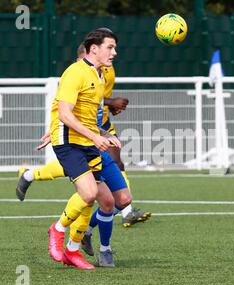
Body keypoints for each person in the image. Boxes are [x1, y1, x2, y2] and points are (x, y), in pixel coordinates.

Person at [16, 43, 151, 228]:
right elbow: (64, 107)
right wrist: (56, 128)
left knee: (113, 163)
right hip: (78, 130)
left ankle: (121, 212)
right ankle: (65, 226)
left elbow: (95, 97)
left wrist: (109, 107)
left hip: (99, 126)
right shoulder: (74, 74)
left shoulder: (107, 70)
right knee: (86, 183)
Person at [47, 28, 122, 270]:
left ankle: (72, 251)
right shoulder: (75, 72)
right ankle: (57, 229)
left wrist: (105, 134)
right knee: (89, 193)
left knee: (102, 200)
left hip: (87, 141)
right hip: (69, 142)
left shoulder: (100, 76)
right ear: (94, 49)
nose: (114, 52)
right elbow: (66, 114)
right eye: (110, 47)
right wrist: (94, 136)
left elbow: (89, 118)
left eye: (114, 48)